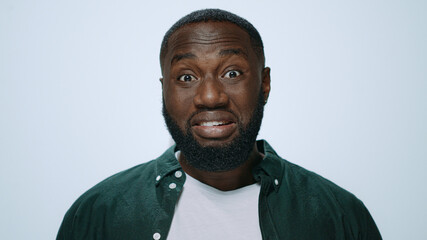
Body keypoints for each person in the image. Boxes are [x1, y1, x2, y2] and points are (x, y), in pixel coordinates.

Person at [57, 9, 382, 240]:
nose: (210, 97)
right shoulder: (98, 215)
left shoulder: (339, 217)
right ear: (164, 90)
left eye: (232, 73)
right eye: (186, 77)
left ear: (264, 84)